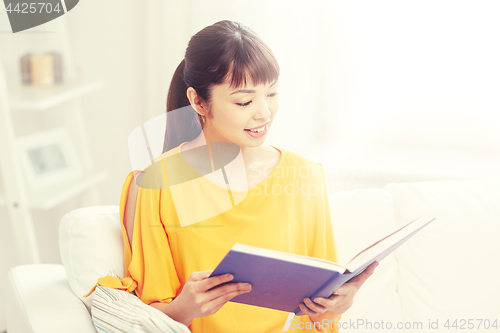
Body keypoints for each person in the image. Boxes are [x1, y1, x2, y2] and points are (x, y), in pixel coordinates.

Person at [89, 20, 378, 332]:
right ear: (198, 101)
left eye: (271, 94)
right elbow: (146, 318)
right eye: (245, 101)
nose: (264, 112)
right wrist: (184, 308)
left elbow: (316, 316)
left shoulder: (304, 176)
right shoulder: (155, 184)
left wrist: (335, 307)